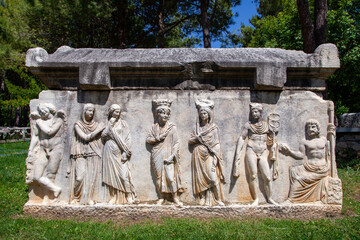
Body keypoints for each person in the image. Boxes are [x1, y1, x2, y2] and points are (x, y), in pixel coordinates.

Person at [233, 103, 278, 206]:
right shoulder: (248, 125)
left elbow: (272, 138)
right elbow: (242, 138)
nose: (254, 113)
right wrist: (238, 153)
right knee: (253, 175)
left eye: (256, 111)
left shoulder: (267, 125)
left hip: (263, 152)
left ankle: (270, 198)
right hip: (251, 150)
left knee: (267, 176)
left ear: (260, 113)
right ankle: (256, 199)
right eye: (253, 112)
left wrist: (273, 145)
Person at [279, 119, 330, 203]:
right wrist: (289, 152)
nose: (310, 129)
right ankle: (292, 200)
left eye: (313, 127)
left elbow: (330, 153)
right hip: (309, 167)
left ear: (318, 129)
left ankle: (293, 200)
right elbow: (301, 155)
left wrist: (332, 133)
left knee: (299, 177)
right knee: (296, 174)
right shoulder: (305, 141)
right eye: (308, 128)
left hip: (323, 169)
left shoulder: (324, 140)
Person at [27, 103, 66, 202]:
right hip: (42, 149)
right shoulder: (39, 122)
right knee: (36, 176)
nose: (42, 112)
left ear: (49, 109)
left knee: (50, 174)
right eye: (40, 111)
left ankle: (48, 197)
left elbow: (50, 131)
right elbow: (35, 137)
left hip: (56, 149)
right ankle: (55, 189)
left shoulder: (58, 120)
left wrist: (39, 122)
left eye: (43, 109)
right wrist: (31, 149)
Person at [146, 99, 183, 206]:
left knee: (171, 178)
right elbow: (148, 140)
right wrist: (158, 138)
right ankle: (161, 197)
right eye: (162, 113)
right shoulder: (154, 128)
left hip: (169, 155)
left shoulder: (172, 127)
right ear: (158, 114)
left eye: (167, 113)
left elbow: (176, 143)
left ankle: (175, 198)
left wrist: (172, 156)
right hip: (157, 153)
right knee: (158, 177)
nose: (165, 115)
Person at [189, 99, 225, 206]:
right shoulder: (196, 128)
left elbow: (217, 144)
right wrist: (196, 138)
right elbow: (190, 141)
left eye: (205, 113)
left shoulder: (214, 128)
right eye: (201, 113)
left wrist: (215, 161)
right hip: (198, 154)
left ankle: (218, 199)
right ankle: (202, 197)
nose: (203, 115)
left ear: (209, 114)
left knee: (213, 178)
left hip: (210, 154)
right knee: (200, 178)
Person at [68, 103, 104, 205]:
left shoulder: (95, 125)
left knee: (92, 178)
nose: (91, 113)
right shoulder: (78, 125)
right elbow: (85, 137)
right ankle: (76, 197)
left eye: (92, 111)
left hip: (93, 152)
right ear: (84, 112)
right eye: (89, 111)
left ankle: (89, 198)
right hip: (80, 153)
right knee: (79, 177)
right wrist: (99, 130)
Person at [102, 104, 136, 204]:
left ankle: (129, 195)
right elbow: (103, 135)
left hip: (121, 151)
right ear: (111, 112)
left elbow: (128, 138)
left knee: (123, 175)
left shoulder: (123, 123)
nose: (117, 113)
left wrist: (126, 152)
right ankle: (113, 197)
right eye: (115, 111)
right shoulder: (108, 123)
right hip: (109, 150)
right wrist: (110, 125)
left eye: (118, 111)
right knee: (111, 174)